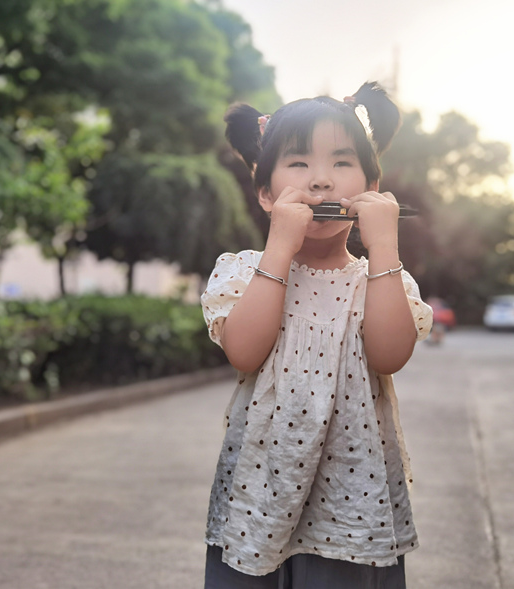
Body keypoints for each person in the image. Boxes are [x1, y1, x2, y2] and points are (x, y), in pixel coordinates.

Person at [200, 82, 433, 588]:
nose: (321, 180)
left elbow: (390, 355)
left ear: (372, 187)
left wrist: (384, 247)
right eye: (299, 162)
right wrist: (279, 248)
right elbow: (244, 352)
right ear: (266, 193)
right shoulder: (243, 272)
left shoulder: (382, 281)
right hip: (258, 497)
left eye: (341, 162)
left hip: (354, 500)